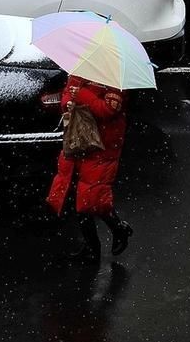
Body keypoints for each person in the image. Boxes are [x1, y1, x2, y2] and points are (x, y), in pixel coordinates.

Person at [47, 75, 133, 263]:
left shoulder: (115, 76)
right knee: (76, 195)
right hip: (78, 139)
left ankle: (111, 233)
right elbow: (67, 94)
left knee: (91, 197)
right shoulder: (81, 68)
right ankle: (94, 245)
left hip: (102, 146)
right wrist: (68, 103)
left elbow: (109, 110)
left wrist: (82, 95)